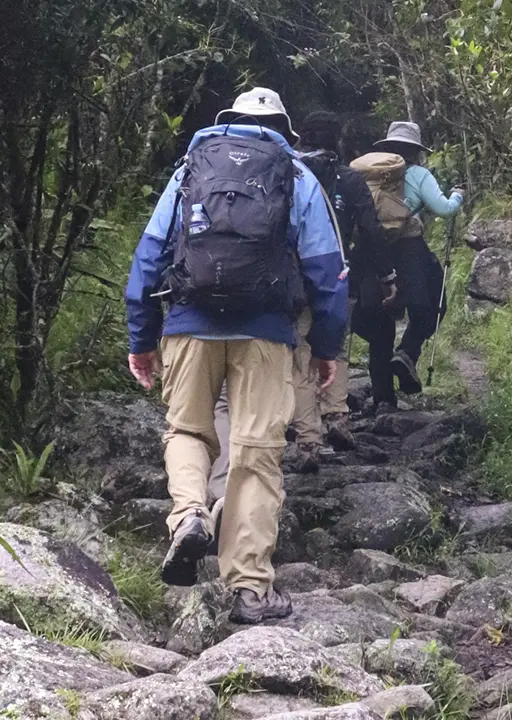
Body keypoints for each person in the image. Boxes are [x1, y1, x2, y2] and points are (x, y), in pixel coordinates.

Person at [125, 88, 348, 624]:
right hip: (266, 332)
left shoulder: (189, 171)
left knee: (187, 432)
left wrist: (141, 338)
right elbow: (327, 271)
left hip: (188, 324)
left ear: (230, 122)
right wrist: (327, 347)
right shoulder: (296, 177)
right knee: (256, 452)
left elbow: (149, 256)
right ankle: (250, 588)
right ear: (283, 128)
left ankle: (188, 517)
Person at [283, 111, 398, 471]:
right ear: (337, 140)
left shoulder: (288, 175)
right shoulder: (349, 179)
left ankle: (308, 440)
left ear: (302, 137)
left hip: (294, 278)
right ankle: (336, 416)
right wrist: (386, 275)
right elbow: (370, 229)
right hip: (337, 275)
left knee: (301, 356)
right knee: (336, 348)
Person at [353, 121, 463, 404]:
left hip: (372, 252)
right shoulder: (419, 174)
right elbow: (444, 210)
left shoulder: (370, 177)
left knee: (380, 327)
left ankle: (383, 400)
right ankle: (407, 353)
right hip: (410, 251)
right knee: (431, 305)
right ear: (416, 150)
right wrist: (457, 196)